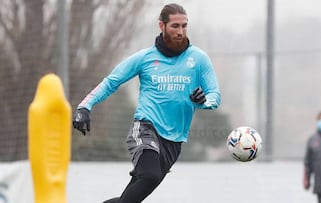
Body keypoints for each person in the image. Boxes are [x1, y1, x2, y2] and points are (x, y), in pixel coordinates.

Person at [72, 3, 221, 203]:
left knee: (131, 197)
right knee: (149, 176)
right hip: (145, 128)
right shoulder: (145, 58)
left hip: (174, 141)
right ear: (162, 26)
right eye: (175, 26)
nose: (180, 31)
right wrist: (85, 106)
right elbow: (111, 81)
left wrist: (204, 101)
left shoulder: (199, 59)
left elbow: (215, 96)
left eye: (184, 26)